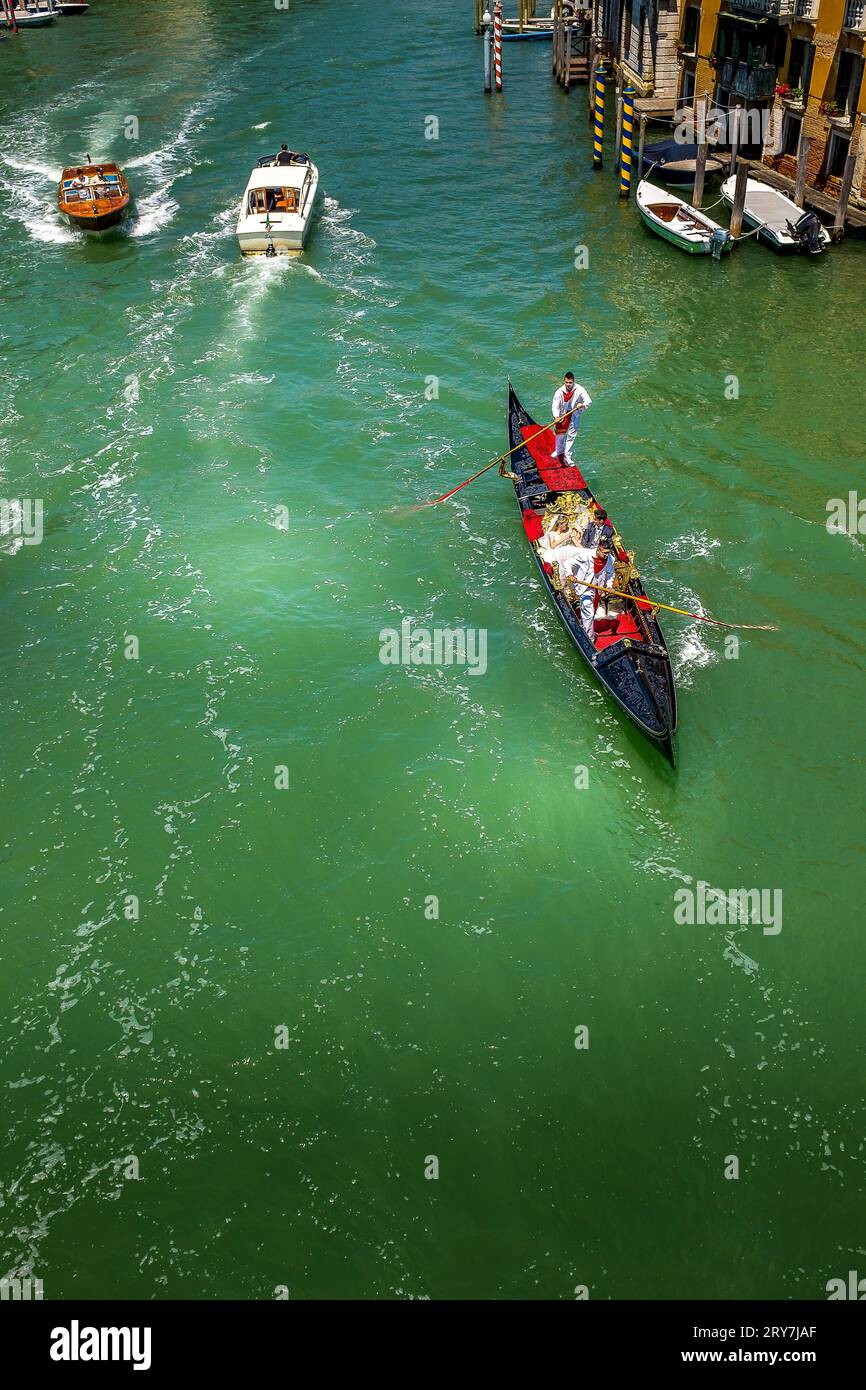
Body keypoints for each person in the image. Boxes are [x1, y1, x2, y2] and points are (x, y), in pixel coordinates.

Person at [550, 371, 592, 466]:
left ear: (573, 382)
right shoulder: (559, 392)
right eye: (566, 382)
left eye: (570, 383)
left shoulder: (580, 389)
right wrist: (556, 416)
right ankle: (559, 450)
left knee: (571, 436)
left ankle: (568, 456)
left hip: (574, 414)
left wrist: (582, 405)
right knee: (559, 434)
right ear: (564, 381)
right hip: (562, 415)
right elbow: (555, 405)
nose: (568, 385)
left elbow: (588, 401)